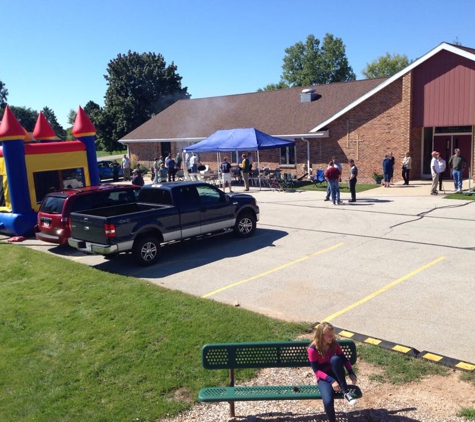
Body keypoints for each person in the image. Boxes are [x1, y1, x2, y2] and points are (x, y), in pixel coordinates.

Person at [308, 322, 358, 422]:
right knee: (327, 401)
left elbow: (343, 359)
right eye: (329, 336)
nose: (332, 337)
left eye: (333, 335)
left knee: (335, 359)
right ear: (322, 336)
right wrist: (331, 381)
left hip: (336, 373)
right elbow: (316, 371)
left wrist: (351, 372)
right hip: (324, 377)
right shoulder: (312, 349)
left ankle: (345, 392)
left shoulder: (334, 344)